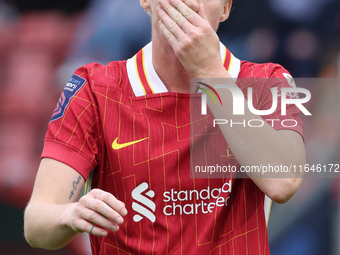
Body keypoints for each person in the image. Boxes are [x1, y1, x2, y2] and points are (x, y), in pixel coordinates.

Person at [24, 0, 305, 254]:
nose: (190, 3)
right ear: (146, 2)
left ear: (226, 8)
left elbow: (283, 182)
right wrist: (69, 215)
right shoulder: (95, 89)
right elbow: (37, 225)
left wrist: (208, 72)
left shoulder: (268, 82)